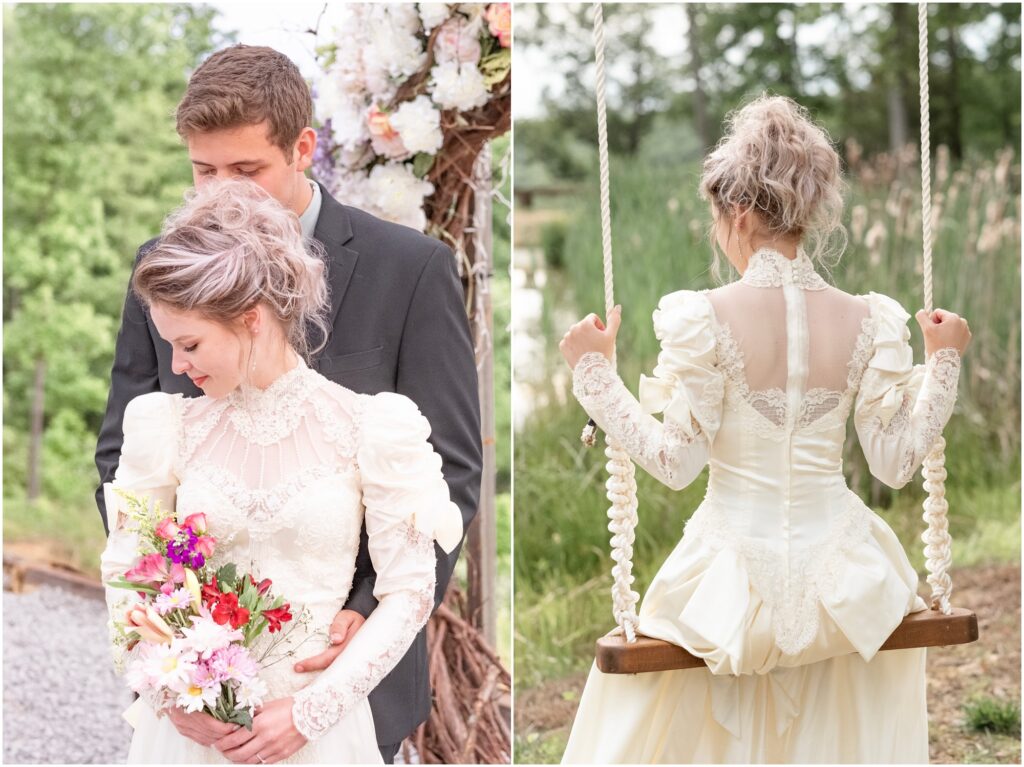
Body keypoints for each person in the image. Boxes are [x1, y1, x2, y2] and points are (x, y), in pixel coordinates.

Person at [93, 45, 482, 763]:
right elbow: (120, 459)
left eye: (245, 171)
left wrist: (360, 615)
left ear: (303, 149)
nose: (221, 196)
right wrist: (177, 645)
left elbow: (452, 475)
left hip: (340, 680)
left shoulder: (411, 269)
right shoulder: (164, 268)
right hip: (196, 689)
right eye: (203, 171)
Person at [557, 94, 971, 763]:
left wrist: (596, 377)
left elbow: (675, 462)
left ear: (740, 213)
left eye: (717, 218)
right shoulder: (867, 318)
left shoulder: (705, 316)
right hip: (846, 576)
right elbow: (895, 462)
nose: (718, 233)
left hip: (728, 579)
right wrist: (944, 360)